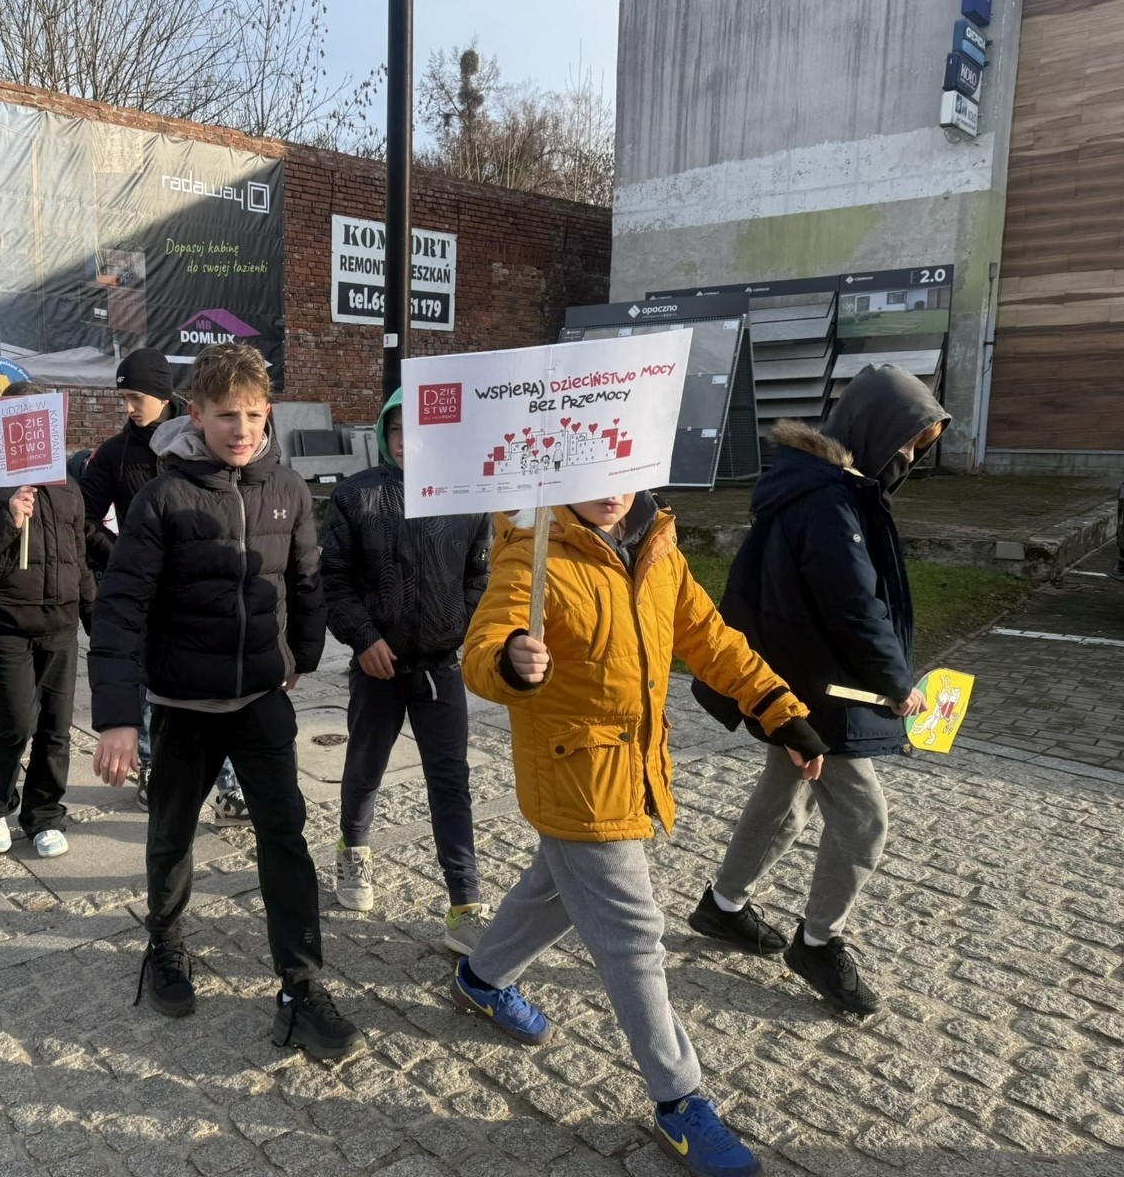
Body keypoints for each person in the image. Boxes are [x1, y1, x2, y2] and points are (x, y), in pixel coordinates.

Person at [459, 490, 829, 1177]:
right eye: (592, 475)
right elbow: (481, 648)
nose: (608, 492)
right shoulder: (533, 550)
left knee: (557, 888)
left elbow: (709, 638)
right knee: (633, 933)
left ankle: (482, 978)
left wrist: (779, 709)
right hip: (574, 776)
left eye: (621, 473)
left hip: (632, 769)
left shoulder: (656, 546)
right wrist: (510, 660)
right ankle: (679, 1099)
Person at [89, 342, 364, 1062]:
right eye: (224, 416)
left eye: (250, 415)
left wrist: (302, 657)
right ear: (196, 415)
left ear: (266, 412)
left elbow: (309, 578)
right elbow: (120, 609)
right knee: (172, 835)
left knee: (286, 839)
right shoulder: (163, 496)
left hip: (262, 702)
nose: (239, 429)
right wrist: (118, 717)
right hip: (182, 703)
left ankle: (300, 987)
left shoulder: (289, 488)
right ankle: (167, 941)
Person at [688, 364, 948, 1018]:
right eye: (910, 442)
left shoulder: (821, 488)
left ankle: (722, 906)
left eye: (922, 447)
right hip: (822, 690)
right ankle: (819, 942)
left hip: (801, 679)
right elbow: (854, 605)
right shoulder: (830, 501)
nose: (912, 457)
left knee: (786, 798)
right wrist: (894, 685)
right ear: (877, 430)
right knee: (864, 820)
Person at [321, 387, 493, 952]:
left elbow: (478, 575)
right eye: (397, 430)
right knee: (365, 766)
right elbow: (334, 581)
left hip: (440, 668)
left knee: (451, 781)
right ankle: (353, 847)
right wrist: (363, 637)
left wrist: (461, 626)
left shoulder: (467, 497)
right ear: (383, 434)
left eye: (421, 431)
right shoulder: (356, 497)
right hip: (378, 667)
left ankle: (465, 899)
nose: (408, 441)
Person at [82, 348, 251, 823]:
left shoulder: (205, 437)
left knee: (219, 693)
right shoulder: (113, 456)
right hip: (145, 599)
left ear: (162, 394)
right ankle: (152, 768)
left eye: (137, 396)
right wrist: (128, 557)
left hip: (205, 591)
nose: (130, 407)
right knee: (149, 689)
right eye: (125, 398)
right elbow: (84, 521)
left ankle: (229, 787)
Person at [0, 382, 93, 860]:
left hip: (60, 627)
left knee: (56, 728)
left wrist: (97, 617)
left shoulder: (68, 487)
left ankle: (44, 815)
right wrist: (7, 519)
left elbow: (80, 560)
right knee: (15, 724)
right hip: (2, 624)